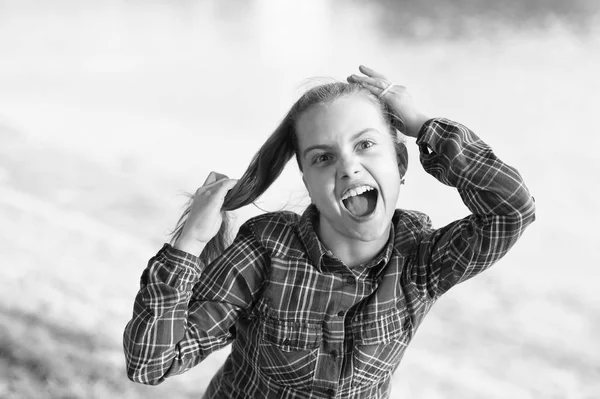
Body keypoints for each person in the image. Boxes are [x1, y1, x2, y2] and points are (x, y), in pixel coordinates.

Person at [123, 65, 536, 398]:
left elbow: (511, 210)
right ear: (307, 182)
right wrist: (188, 244)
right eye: (323, 157)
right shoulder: (266, 251)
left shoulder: (420, 261)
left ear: (401, 165)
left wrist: (424, 124)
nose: (348, 167)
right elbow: (150, 364)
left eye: (365, 145)